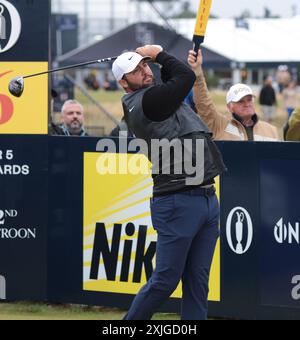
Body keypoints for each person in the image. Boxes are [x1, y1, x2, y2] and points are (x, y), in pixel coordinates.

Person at [112, 45, 226, 320]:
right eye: (135, 71)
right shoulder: (145, 102)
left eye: (144, 65)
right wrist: (159, 53)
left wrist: (160, 60)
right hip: (177, 201)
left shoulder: (157, 96)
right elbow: (184, 77)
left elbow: (182, 79)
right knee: (165, 281)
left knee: (198, 283)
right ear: (124, 83)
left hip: (206, 198)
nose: (144, 71)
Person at [188, 50, 279, 141]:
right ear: (229, 107)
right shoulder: (220, 125)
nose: (247, 104)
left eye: (249, 99)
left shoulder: (271, 130)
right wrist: (198, 72)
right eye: (240, 101)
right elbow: (204, 105)